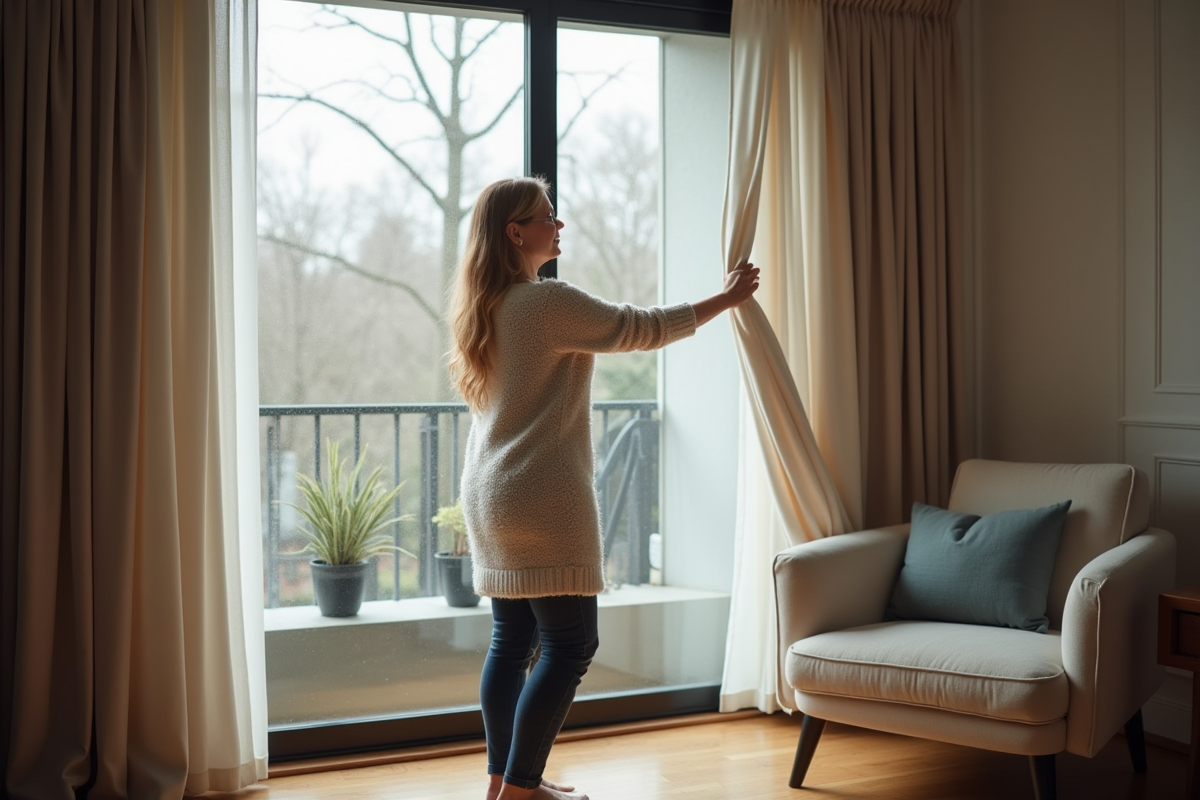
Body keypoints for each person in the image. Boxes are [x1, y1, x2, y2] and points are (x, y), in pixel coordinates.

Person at [447, 176, 759, 800]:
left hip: (488, 492)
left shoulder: (486, 307)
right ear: (517, 232)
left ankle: (502, 783)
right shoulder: (543, 302)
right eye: (548, 218)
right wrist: (724, 301)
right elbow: (635, 327)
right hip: (539, 494)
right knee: (571, 644)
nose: (559, 227)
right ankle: (523, 787)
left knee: (512, 643)